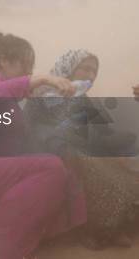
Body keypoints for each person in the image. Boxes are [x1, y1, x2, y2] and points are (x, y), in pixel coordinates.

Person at [0, 33, 86, 259]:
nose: (29, 72)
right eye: (25, 64)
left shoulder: (8, 98)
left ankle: (31, 237)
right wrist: (43, 79)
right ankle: (7, 242)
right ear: (4, 61)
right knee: (51, 168)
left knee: (59, 166)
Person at [27, 49, 139, 249]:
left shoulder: (83, 98)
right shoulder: (44, 93)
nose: (90, 75)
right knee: (94, 166)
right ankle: (97, 233)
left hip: (81, 147)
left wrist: (127, 143)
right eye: (85, 69)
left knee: (124, 161)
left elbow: (104, 131)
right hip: (52, 150)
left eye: (94, 71)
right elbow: (42, 130)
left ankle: (116, 228)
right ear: (69, 68)